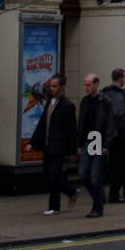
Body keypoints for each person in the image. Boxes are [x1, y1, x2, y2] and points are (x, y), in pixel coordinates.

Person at [30, 73, 79, 214]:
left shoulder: (68, 105)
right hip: (48, 144)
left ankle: (54, 207)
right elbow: (42, 123)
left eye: (55, 86)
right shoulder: (50, 102)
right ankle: (72, 191)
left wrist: (73, 151)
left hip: (59, 146)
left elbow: (72, 129)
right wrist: (33, 142)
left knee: (53, 176)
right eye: (51, 86)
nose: (52, 89)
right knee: (48, 176)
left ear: (62, 87)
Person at [78, 73, 111, 217]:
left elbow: (110, 125)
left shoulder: (105, 101)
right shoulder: (84, 101)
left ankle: (97, 208)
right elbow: (81, 123)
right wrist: (79, 144)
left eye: (88, 85)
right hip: (87, 140)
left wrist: (106, 145)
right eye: (85, 85)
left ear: (96, 84)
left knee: (95, 176)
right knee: (83, 174)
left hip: (99, 140)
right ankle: (100, 197)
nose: (86, 88)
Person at [102, 69, 125, 203]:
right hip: (117, 136)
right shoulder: (119, 94)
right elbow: (120, 115)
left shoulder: (103, 93)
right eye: (124, 77)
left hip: (99, 136)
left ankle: (99, 195)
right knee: (118, 164)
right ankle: (114, 194)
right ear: (120, 78)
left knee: (100, 165)